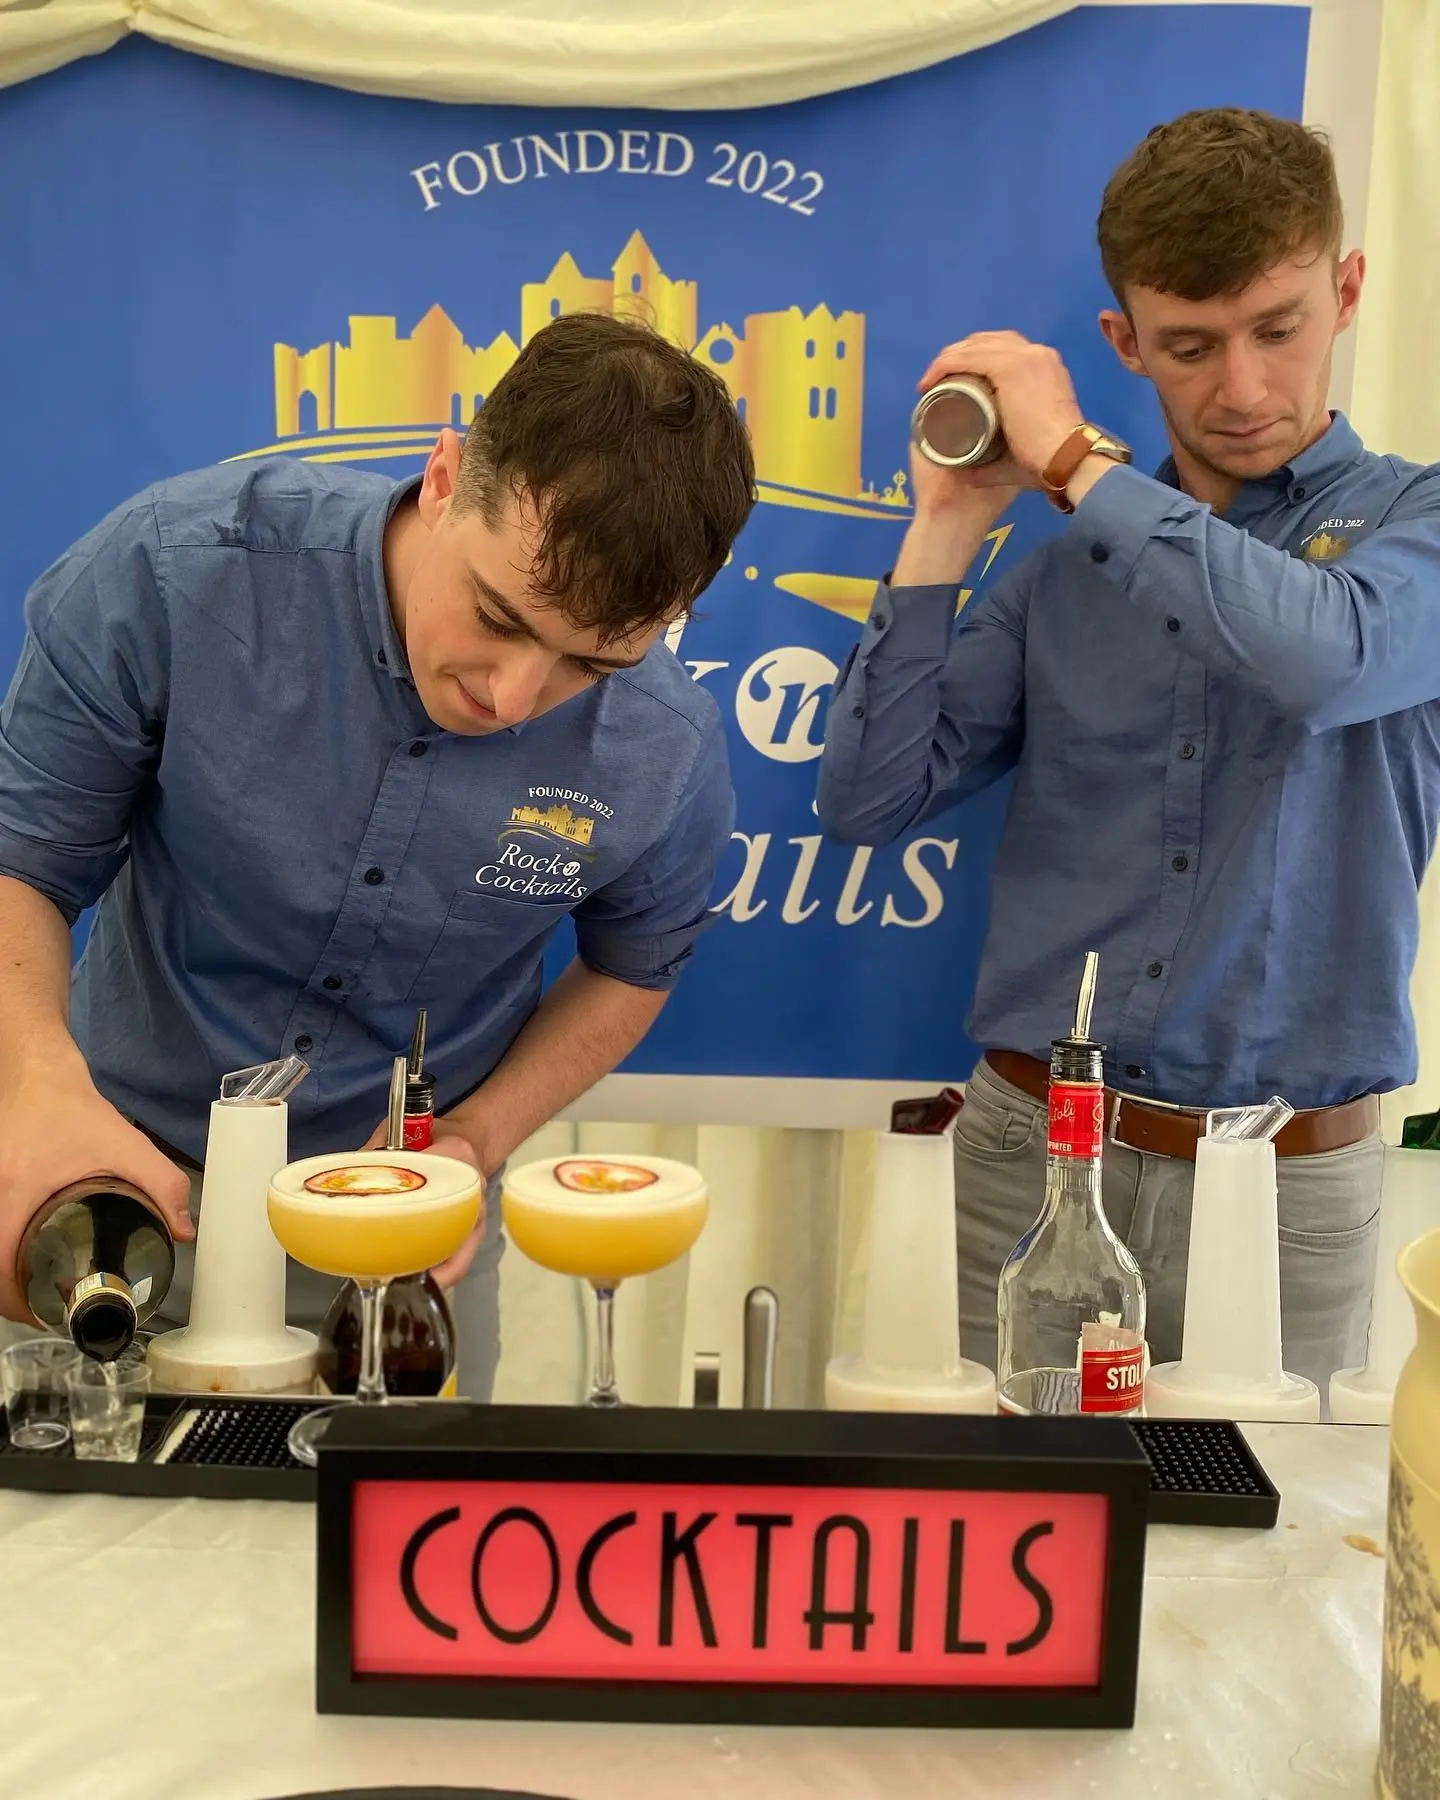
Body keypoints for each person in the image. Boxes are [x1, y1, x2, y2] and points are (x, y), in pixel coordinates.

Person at [0, 310, 755, 1397]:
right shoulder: (176, 575)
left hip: (396, 1244)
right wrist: (36, 1085)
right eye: (496, 615)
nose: (510, 696)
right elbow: (22, 858)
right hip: (103, 1182)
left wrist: (475, 1140)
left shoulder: (665, 749)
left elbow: (634, 968)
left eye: (588, 666)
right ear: (445, 475)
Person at [817, 107, 1440, 1394]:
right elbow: (869, 801)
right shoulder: (1059, 576)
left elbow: (1323, 658)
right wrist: (946, 526)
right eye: (1192, 348)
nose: (1246, 389)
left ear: (1348, 290)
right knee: (995, 1567)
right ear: (1126, 344)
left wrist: (1079, 464)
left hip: (1285, 1185)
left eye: (1279, 328)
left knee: (1263, 1570)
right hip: (1025, 1159)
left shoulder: (1416, 524)